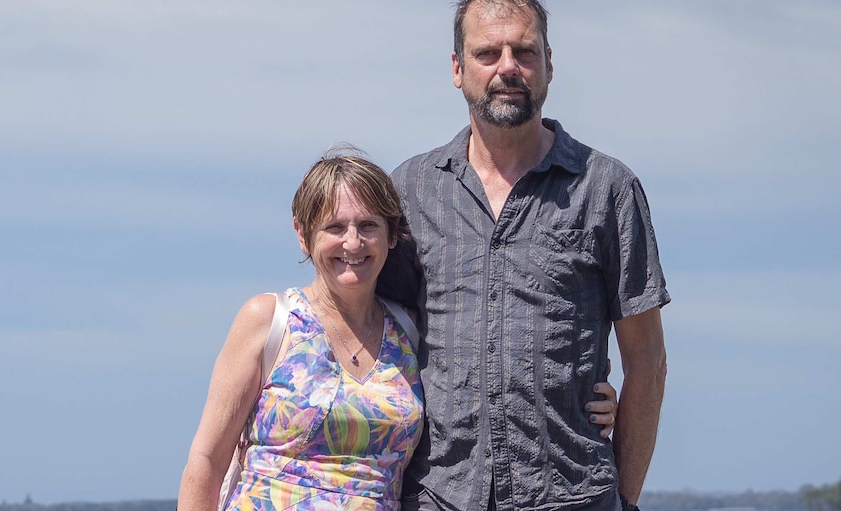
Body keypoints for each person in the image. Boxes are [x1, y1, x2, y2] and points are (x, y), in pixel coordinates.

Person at [178, 149, 620, 511]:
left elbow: (480, 384)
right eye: (334, 227)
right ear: (303, 233)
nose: (352, 243)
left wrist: (579, 399)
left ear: (392, 235)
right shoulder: (268, 320)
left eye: (368, 226)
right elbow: (207, 459)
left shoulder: (408, 330)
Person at [388, 0, 670, 511]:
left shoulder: (606, 187)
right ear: (457, 69)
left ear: (548, 65)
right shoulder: (411, 190)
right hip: (436, 496)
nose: (507, 67)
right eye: (487, 53)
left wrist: (625, 500)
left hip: (572, 494)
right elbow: (373, 329)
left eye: (524, 51)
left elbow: (648, 360)